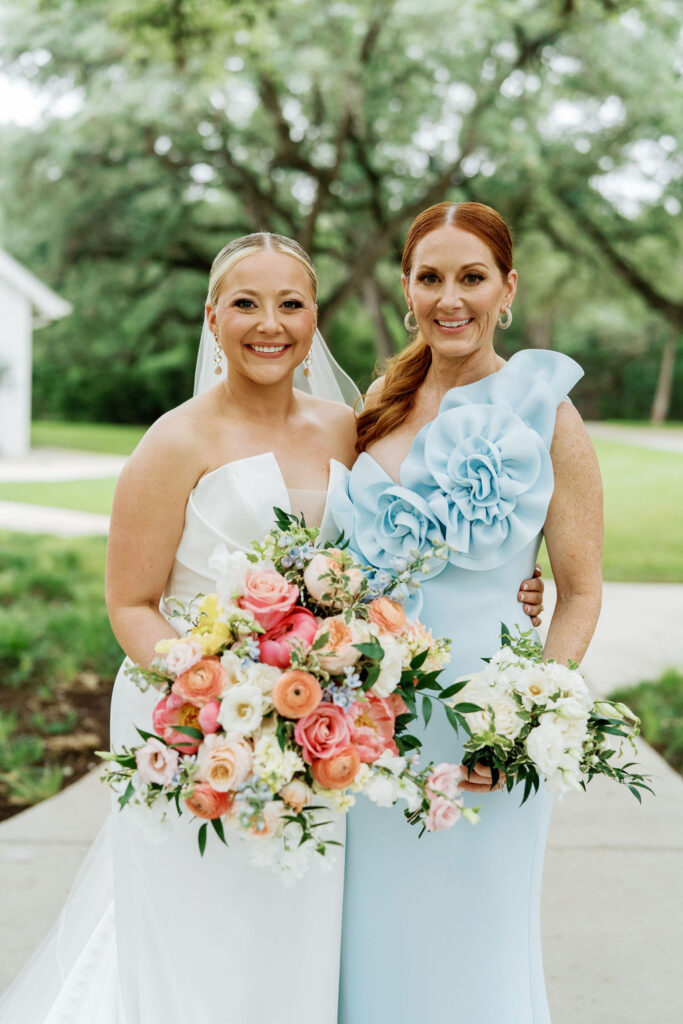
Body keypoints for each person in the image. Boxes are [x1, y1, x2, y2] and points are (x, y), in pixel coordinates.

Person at [0, 230, 544, 1023]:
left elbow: (398, 539)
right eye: (247, 303)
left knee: (298, 940)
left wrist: (512, 586)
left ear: (313, 318)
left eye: (290, 303)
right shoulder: (172, 441)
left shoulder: (344, 428)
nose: (270, 323)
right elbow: (130, 604)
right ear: (213, 315)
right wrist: (216, 687)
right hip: (188, 718)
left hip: (317, 721)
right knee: (200, 936)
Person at [331, 201, 603, 1023]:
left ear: (507, 288)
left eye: (471, 277)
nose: (451, 299)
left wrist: (521, 723)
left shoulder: (548, 414)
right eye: (430, 278)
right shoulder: (381, 398)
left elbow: (580, 591)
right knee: (371, 941)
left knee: (475, 944)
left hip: (482, 726)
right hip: (367, 724)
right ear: (407, 290)